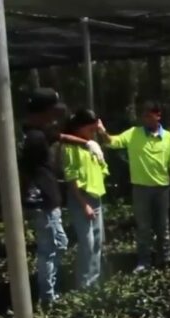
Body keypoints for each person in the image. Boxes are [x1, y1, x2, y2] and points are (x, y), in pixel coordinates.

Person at [20, 88, 105, 305]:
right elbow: (24, 173)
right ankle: (48, 297)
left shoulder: (39, 131)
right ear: (43, 111)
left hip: (49, 200)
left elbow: (60, 136)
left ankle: (50, 293)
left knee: (59, 244)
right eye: (52, 111)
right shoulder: (34, 138)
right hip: (42, 200)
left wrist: (86, 143)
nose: (54, 117)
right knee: (51, 248)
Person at [96, 101, 170, 272]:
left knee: (163, 226)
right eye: (143, 115)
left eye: (149, 115)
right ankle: (144, 261)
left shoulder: (168, 137)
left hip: (162, 188)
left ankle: (164, 259)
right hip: (141, 188)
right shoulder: (134, 133)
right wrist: (102, 132)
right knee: (143, 226)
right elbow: (113, 142)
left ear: (158, 115)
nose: (145, 118)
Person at [62, 108, 109, 290]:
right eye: (89, 129)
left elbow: (102, 169)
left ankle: (94, 281)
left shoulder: (92, 145)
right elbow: (71, 179)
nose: (92, 134)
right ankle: (83, 283)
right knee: (87, 243)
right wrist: (84, 204)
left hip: (96, 197)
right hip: (81, 200)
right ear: (79, 127)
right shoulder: (70, 146)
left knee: (97, 242)